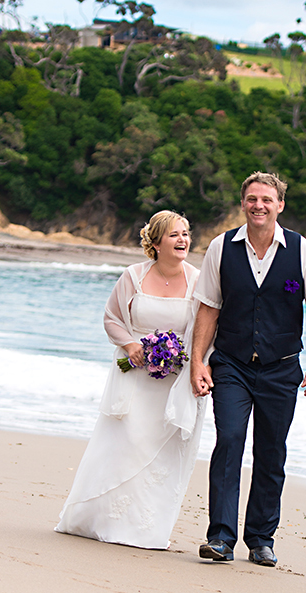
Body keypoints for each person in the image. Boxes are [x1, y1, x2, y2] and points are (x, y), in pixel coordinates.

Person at [190, 172, 306, 568]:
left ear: (280, 205)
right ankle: (220, 537)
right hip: (232, 364)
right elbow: (208, 307)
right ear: (243, 203)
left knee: (271, 453)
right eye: (252, 199)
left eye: (267, 200)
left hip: (282, 368)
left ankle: (261, 540)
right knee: (230, 440)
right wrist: (197, 361)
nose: (259, 206)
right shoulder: (222, 248)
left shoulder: (302, 251)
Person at [56, 211, 204, 549]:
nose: (182, 240)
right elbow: (111, 318)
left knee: (159, 452)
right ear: (155, 243)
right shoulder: (133, 276)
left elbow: (203, 329)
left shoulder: (198, 280)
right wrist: (131, 344)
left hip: (173, 381)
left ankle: (143, 530)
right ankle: (99, 521)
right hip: (133, 374)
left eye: (185, 234)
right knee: (125, 445)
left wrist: (193, 364)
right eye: (173, 235)